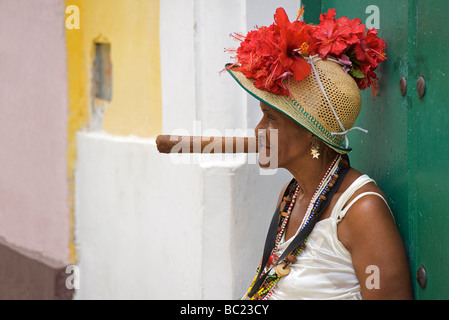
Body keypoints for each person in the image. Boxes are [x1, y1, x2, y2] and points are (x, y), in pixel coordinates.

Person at [225, 7, 413, 300]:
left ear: (311, 132)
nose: (259, 131)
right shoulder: (290, 196)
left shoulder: (361, 211)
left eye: (271, 118)